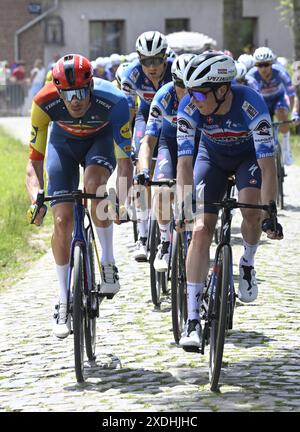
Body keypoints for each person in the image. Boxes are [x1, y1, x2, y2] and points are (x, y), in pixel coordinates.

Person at [175, 52, 283, 350]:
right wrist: (183, 204)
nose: (192, 98)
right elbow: (184, 164)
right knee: (200, 230)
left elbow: (267, 166)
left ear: (222, 90)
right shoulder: (189, 106)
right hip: (210, 158)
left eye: (199, 92)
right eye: (189, 90)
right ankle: (193, 318)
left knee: (251, 210)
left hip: (248, 158)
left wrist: (269, 212)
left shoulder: (252, 105)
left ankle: (247, 263)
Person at [26, 54, 133, 339]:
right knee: (61, 220)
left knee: (94, 185)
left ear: (91, 88)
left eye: (80, 93)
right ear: (58, 91)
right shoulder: (43, 102)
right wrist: (35, 198)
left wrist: (123, 201)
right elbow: (33, 165)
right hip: (64, 145)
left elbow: (125, 163)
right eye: (68, 94)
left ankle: (108, 263)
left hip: (99, 142)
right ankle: (63, 299)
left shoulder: (115, 101)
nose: (74, 101)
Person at [134, 53, 196, 271]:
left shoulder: (205, 98)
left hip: (200, 148)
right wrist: (142, 169)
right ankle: (165, 243)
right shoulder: (163, 97)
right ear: (173, 81)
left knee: (195, 196)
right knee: (161, 191)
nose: (188, 91)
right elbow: (148, 141)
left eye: (194, 85)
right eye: (181, 84)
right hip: (168, 145)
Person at [120, 30, 174, 261]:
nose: (151, 67)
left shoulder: (177, 72)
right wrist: (129, 145)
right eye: (145, 61)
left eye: (156, 61)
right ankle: (142, 236)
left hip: (172, 118)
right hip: (145, 115)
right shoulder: (130, 75)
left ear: (165, 58)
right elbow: (128, 113)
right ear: (139, 60)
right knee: (141, 170)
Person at [246, 46, 300, 165]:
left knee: (282, 113)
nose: (264, 68)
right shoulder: (251, 76)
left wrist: (294, 113)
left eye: (266, 64)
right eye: (260, 65)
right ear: (256, 65)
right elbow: (249, 100)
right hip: (262, 103)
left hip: (278, 100)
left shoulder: (280, 72)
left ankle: (286, 150)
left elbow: (292, 95)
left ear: (272, 63)